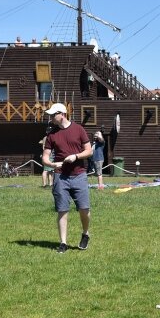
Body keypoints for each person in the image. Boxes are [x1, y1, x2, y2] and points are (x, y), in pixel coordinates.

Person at [42, 103, 92, 253]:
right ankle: (63, 243)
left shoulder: (79, 129)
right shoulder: (51, 135)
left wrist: (75, 156)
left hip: (79, 175)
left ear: (62, 114)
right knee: (62, 210)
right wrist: (52, 164)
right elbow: (44, 158)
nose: (51, 117)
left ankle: (85, 234)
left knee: (84, 209)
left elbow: (89, 151)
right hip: (60, 176)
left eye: (53, 115)